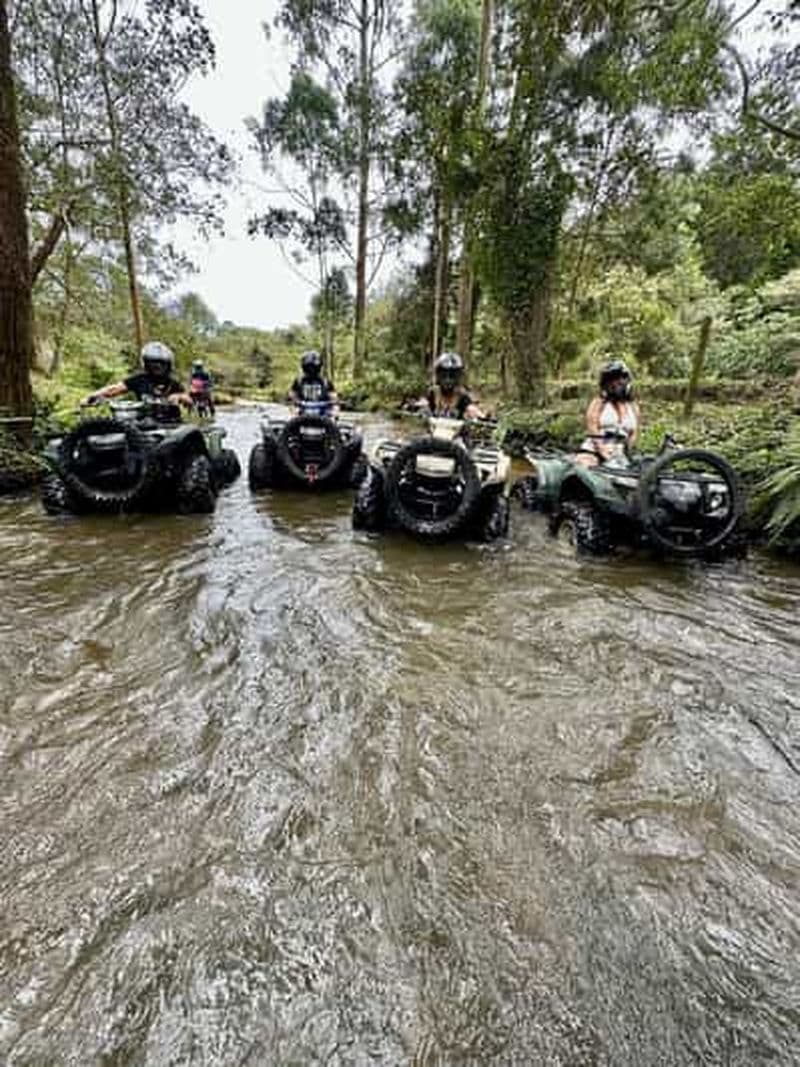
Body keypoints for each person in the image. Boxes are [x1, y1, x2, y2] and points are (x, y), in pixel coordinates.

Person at [84, 341, 191, 410]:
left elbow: (189, 400)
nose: (157, 368)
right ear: (146, 364)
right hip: (143, 422)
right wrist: (93, 396)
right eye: (153, 364)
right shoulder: (140, 379)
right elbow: (114, 389)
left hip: (172, 424)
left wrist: (179, 397)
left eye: (161, 364)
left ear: (168, 365)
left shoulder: (173, 383)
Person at [576, 359, 640, 467]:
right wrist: (602, 451)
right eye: (612, 379)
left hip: (620, 454)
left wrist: (627, 450)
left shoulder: (633, 407)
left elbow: (634, 433)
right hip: (595, 450)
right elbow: (592, 428)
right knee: (583, 468)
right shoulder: (599, 403)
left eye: (620, 378)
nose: (617, 382)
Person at [419, 352, 484, 419]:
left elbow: (472, 408)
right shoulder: (433, 393)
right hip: (435, 427)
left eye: (452, 376)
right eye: (444, 375)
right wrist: (422, 408)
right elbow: (423, 403)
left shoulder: (462, 396)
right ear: (438, 375)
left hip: (456, 428)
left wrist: (479, 415)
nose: (448, 380)